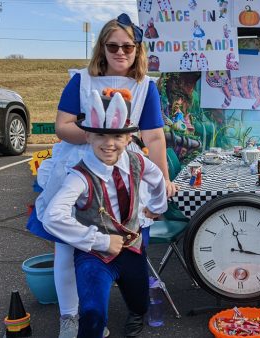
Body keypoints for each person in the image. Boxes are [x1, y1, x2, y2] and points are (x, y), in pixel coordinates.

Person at [27, 13, 176, 338]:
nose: (121, 52)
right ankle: (71, 316)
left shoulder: (145, 87)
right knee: (68, 246)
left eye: (128, 46)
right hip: (79, 167)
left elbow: (153, 138)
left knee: (128, 241)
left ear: (137, 49)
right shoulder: (80, 80)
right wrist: (100, 135)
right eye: (113, 46)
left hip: (124, 169)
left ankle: (128, 311)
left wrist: (162, 179)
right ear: (102, 48)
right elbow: (62, 126)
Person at [44, 90, 168, 337]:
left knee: (140, 302)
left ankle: (135, 312)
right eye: (100, 135)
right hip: (95, 255)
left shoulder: (137, 162)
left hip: (132, 247)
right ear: (88, 136)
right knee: (92, 313)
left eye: (117, 136)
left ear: (128, 138)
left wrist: (156, 207)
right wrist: (100, 241)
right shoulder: (79, 176)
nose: (109, 143)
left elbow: (157, 181)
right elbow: (52, 216)